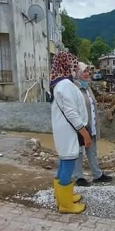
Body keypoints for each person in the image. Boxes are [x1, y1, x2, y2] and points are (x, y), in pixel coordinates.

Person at [50, 51, 91, 214]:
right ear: (66, 65)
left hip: (65, 132)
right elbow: (71, 113)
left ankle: (61, 197)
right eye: (73, 64)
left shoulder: (61, 84)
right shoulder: (65, 86)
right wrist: (85, 133)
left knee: (63, 164)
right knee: (67, 164)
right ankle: (66, 205)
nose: (75, 67)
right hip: (69, 132)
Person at [73, 62, 113, 186]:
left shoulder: (87, 87)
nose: (87, 74)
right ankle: (79, 177)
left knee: (92, 151)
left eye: (88, 71)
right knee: (79, 152)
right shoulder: (75, 89)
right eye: (84, 71)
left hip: (92, 126)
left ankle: (97, 174)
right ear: (78, 73)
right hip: (80, 127)